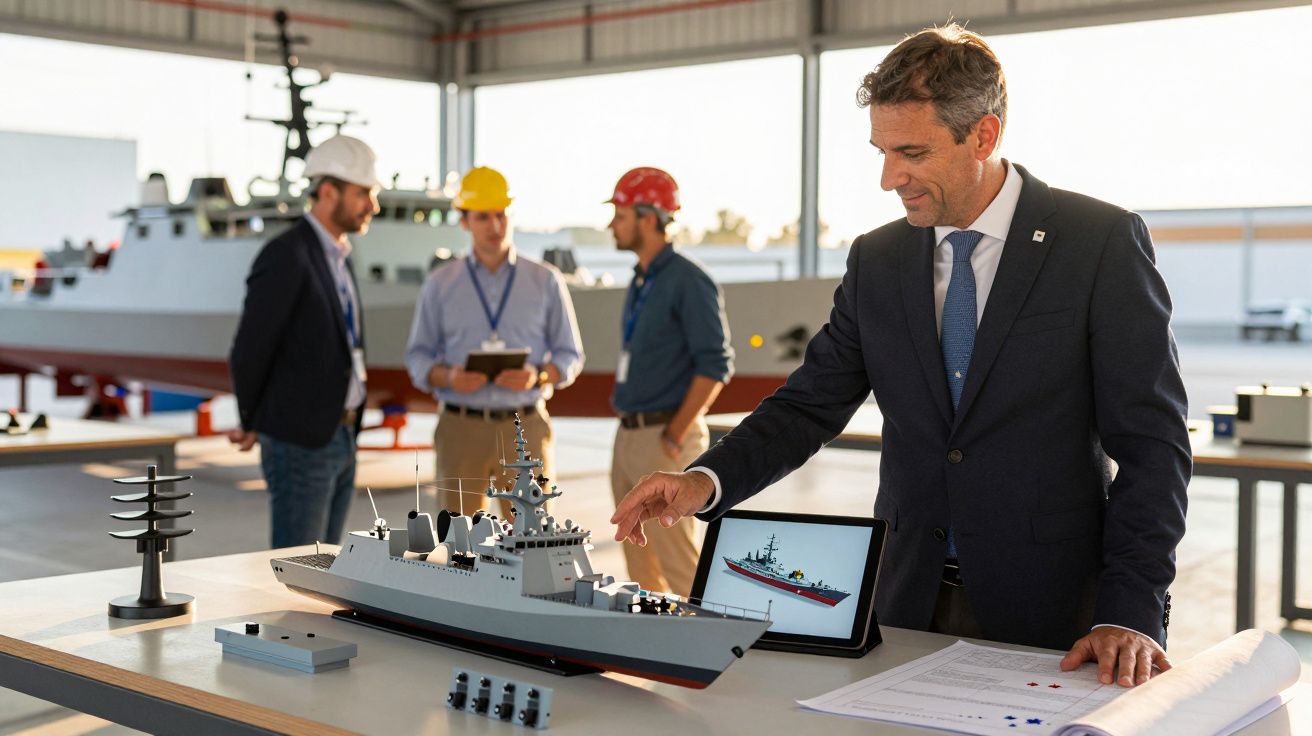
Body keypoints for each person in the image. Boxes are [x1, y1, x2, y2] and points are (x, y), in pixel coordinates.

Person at [611, 24, 1191, 689]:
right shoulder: (879, 259)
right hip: (906, 600)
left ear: (984, 136)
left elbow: (1154, 445)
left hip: (1057, 619)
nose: (890, 177)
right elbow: (808, 405)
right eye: (881, 151)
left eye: (911, 152)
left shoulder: (1099, 243)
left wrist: (1132, 610)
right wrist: (701, 482)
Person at [405, 166, 583, 517]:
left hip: (525, 428)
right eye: (483, 217)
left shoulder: (545, 281)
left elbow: (570, 354)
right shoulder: (440, 284)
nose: (495, 226)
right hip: (460, 428)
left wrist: (538, 375)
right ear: (465, 221)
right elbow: (418, 358)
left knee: (532, 543)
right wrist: (450, 378)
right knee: (459, 549)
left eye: (501, 215)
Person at [229, 134, 381, 547]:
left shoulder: (338, 257)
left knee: (327, 565)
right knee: (300, 569)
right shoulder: (287, 255)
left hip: (342, 435)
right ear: (328, 192)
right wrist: (250, 418)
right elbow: (251, 347)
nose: (373, 205)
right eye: (364, 193)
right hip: (301, 443)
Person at [606, 167, 734, 597]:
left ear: (648, 218)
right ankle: (652, 651)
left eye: (620, 214)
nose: (611, 224)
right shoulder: (643, 279)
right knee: (638, 556)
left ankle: (708, 648)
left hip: (664, 438)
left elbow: (715, 365)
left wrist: (675, 434)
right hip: (629, 435)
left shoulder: (688, 281)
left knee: (679, 562)